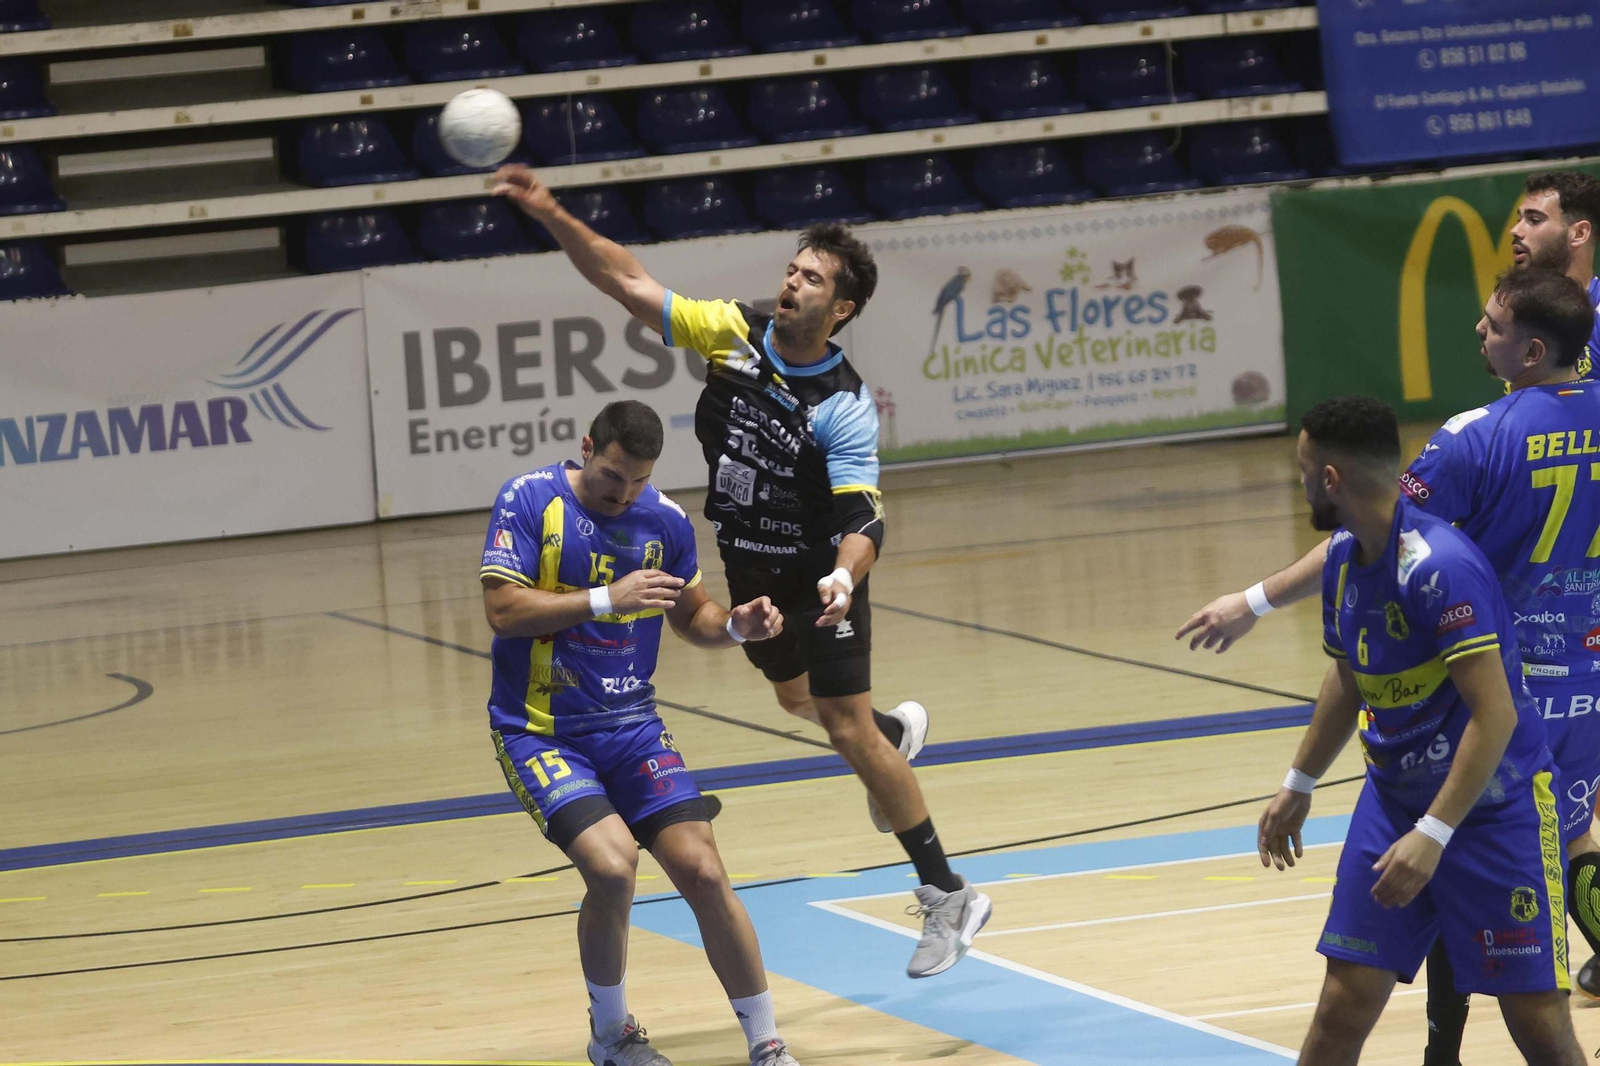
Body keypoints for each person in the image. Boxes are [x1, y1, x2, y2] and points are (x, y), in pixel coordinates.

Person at [492, 164, 990, 979]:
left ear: (842, 308)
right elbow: (625, 279)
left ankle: (948, 892)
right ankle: (895, 738)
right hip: (752, 568)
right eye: (793, 270)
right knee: (796, 698)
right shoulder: (732, 335)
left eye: (813, 279)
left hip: (820, 577)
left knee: (842, 725)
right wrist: (550, 212)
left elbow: (865, 519)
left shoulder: (842, 405)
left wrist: (844, 577)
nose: (792, 284)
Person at [1180, 269, 1600, 1060]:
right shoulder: (1366, 561)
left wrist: (1257, 600)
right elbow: (1352, 644)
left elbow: (1385, 524)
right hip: (1581, 682)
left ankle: (1447, 1041)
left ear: (1533, 349)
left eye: (1493, 324)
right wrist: (1300, 781)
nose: (1478, 331)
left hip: (1496, 702)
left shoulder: (1468, 463)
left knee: (1536, 1006)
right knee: (1573, 853)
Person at [1257, 394, 1582, 1066]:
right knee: (1341, 1006)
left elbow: (1496, 715)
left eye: (1303, 469)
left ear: (1330, 479)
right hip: (1393, 802)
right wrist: (1299, 783)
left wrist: (1433, 834)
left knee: (1538, 1025)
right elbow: (1349, 675)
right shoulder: (1344, 558)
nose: (1300, 482)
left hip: (1495, 811)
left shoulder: (1441, 567)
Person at [480, 401, 799, 1066]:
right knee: (612, 866)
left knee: (703, 871)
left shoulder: (666, 521)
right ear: (587, 448)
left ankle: (767, 1045)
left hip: (633, 727)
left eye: (638, 480)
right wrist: (607, 598)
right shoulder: (529, 500)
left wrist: (734, 626)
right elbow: (503, 610)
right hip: (542, 731)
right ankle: (612, 1036)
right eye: (612, 476)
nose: (623, 494)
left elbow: (692, 614)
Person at [1509, 170, 1600, 373]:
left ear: (1579, 233)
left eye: (1534, 220)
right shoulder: (1513, 313)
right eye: (1519, 219)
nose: (1515, 230)